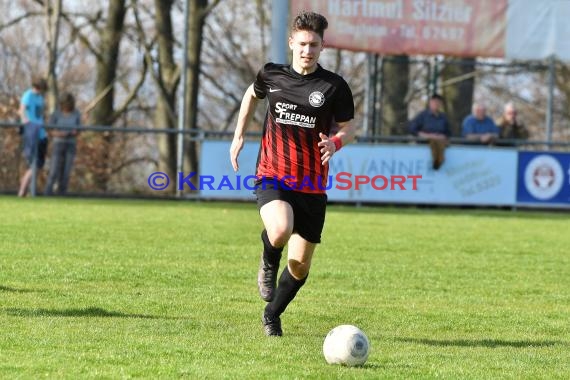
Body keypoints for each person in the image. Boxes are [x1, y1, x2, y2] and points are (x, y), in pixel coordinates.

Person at [229, 11, 356, 337]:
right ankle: (268, 260)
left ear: (322, 46)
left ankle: (272, 314)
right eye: (302, 44)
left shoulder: (333, 86)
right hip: (273, 175)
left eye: (314, 44)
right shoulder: (271, 75)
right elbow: (250, 95)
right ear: (292, 42)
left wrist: (336, 142)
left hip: (312, 186)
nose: (307, 50)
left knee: (300, 267)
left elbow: (348, 127)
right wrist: (239, 135)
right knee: (281, 228)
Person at [45, 92, 81, 195]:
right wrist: (60, 133)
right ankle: (48, 192)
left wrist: (74, 132)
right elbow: (50, 130)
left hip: (71, 144)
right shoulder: (56, 114)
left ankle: (62, 192)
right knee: (54, 169)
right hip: (58, 143)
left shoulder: (76, 113)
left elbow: (79, 129)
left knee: (66, 171)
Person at [18, 76, 48, 197]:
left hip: (41, 133)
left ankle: (27, 189)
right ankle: (23, 190)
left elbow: (40, 114)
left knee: (39, 164)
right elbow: (21, 110)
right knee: (33, 163)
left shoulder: (40, 98)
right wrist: (26, 122)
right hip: (32, 131)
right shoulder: (28, 95)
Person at [409, 93, 451, 170]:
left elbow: (448, 132)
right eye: (434, 102)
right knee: (434, 141)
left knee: (438, 141)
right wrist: (425, 135)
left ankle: (438, 160)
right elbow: (412, 128)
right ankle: (438, 159)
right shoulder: (423, 115)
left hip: (441, 142)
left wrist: (443, 136)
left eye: (438, 102)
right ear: (430, 103)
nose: (436, 104)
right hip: (425, 143)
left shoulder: (443, 117)